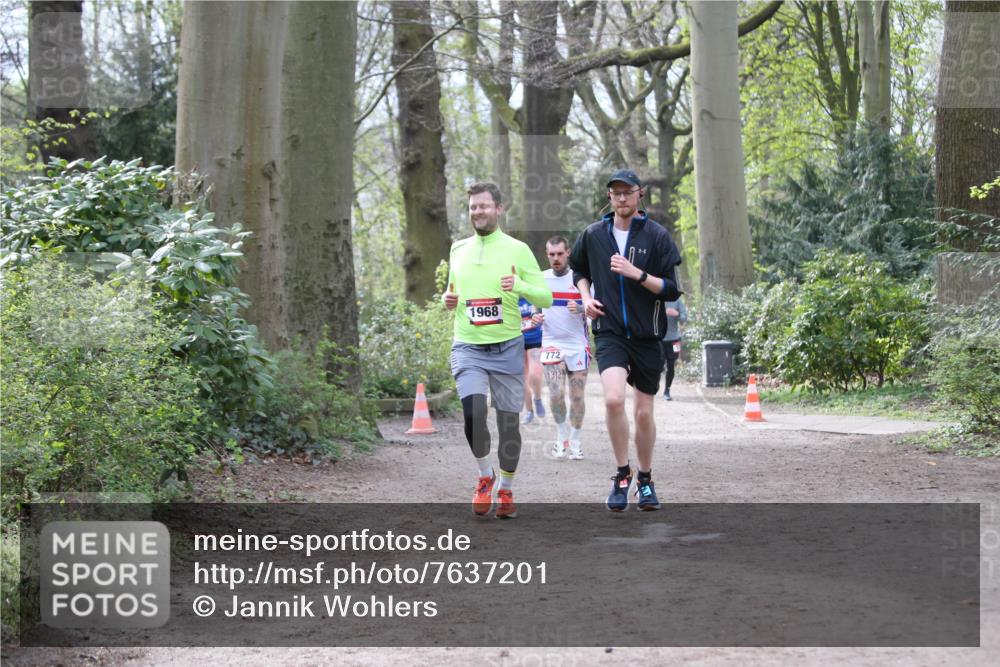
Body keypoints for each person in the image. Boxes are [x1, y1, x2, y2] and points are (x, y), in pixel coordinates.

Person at [569, 169, 682, 511]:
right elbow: (579, 271)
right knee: (614, 400)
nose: (621, 198)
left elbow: (671, 289)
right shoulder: (593, 234)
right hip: (610, 331)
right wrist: (586, 297)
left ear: (639, 194)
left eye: (627, 192)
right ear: (610, 197)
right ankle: (622, 475)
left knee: (644, 414)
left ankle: (645, 480)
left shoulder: (656, 235)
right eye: (616, 193)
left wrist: (638, 274)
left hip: (647, 335)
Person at [443, 181, 552, 519]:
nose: (478, 212)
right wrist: (448, 299)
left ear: (499, 209)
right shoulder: (458, 248)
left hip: (507, 347)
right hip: (468, 345)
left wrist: (518, 285)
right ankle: (484, 475)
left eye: (484, 206)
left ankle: (505, 487)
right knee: (473, 412)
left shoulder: (518, 250)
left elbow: (545, 297)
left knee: (508, 426)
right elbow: (453, 291)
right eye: (473, 207)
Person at [536, 236, 590, 460]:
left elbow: (597, 309)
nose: (556, 258)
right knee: (556, 394)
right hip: (551, 343)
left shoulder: (581, 279)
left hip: (577, 344)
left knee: (576, 397)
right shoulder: (541, 279)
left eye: (560, 253)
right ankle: (561, 437)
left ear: (568, 252)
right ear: (547, 255)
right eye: (552, 254)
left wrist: (582, 308)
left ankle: (575, 441)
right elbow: (534, 307)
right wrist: (535, 316)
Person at [518, 296, 546, 425]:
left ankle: (538, 399)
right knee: (522, 379)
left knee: (534, 375)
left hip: (535, 340)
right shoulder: (508, 296)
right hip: (517, 341)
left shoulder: (533, 293)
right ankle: (529, 411)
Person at [660, 298, 688, 401]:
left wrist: (677, 314)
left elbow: (685, 318)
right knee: (658, 365)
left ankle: (667, 390)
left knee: (671, 365)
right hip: (659, 339)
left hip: (675, 340)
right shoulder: (657, 299)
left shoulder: (677, 301)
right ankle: (654, 385)